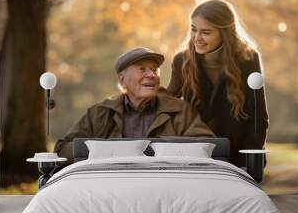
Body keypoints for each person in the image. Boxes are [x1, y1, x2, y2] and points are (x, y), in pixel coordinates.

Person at [54, 47, 215, 161]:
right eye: (142, 69)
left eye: (154, 70)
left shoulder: (180, 110)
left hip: (165, 184)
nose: (151, 75)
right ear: (122, 80)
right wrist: (101, 151)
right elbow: (62, 150)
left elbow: (210, 146)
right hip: (112, 187)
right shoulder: (100, 113)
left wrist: (162, 151)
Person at [167, 0, 269, 168]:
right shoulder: (181, 61)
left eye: (206, 32)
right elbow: (166, 104)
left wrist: (252, 159)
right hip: (196, 154)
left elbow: (258, 116)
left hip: (238, 155)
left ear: (225, 33)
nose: (197, 38)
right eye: (193, 30)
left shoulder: (248, 59)